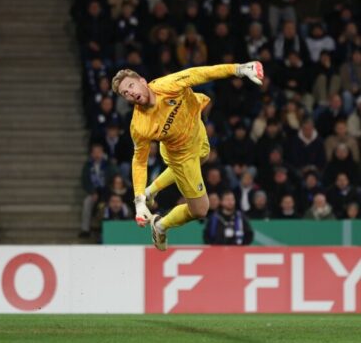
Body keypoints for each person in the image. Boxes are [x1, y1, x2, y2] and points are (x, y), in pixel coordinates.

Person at [111, 61, 264, 250]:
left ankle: (152, 190)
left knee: (205, 157)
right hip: (181, 158)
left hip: (195, 130)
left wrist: (239, 69)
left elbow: (200, 73)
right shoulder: (139, 126)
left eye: (131, 86)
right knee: (201, 210)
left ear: (143, 81)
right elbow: (139, 162)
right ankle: (160, 226)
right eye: (125, 93)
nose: (130, 93)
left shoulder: (168, 85)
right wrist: (139, 201)